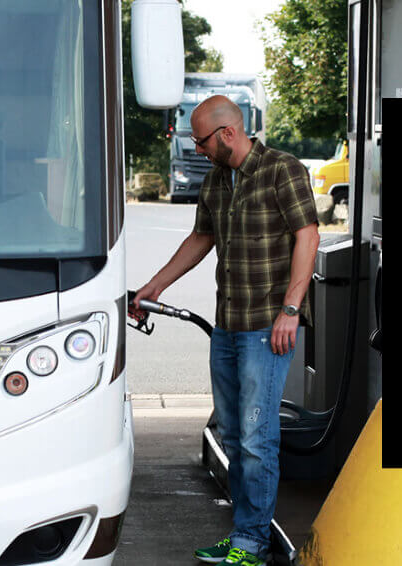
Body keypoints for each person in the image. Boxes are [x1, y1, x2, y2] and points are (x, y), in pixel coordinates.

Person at [133, 95, 319, 566]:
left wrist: (291, 309)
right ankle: (244, 533)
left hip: (267, 328)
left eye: (200, 140)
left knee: (258, 439)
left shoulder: (283, 169)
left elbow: (308, 235)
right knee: (235, 436)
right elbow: (201, 237)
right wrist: (153, 286)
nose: (196, 149)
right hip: (228, 327)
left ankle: (253, 543)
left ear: (228, 134)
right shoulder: (217, 180)